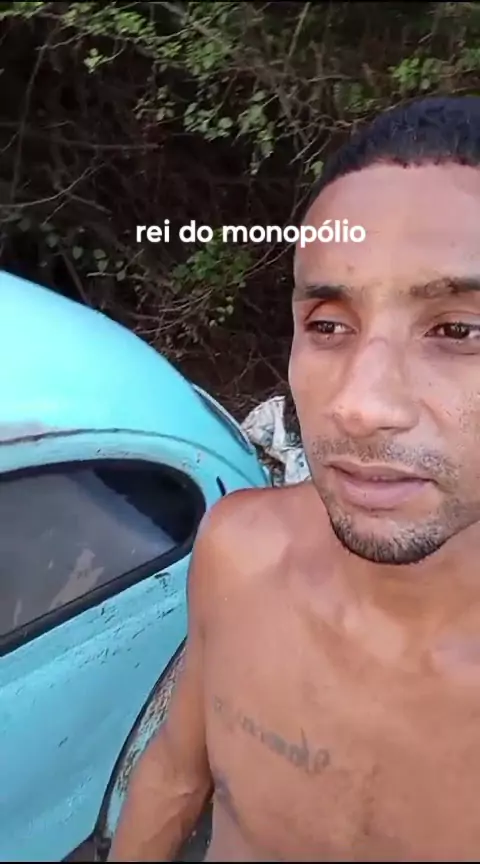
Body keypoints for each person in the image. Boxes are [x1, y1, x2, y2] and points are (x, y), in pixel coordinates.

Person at [109, 95, 480, 862]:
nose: (359, 405)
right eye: (328, 326)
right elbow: (176, 776)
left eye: (458, 329)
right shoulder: (238, 552)